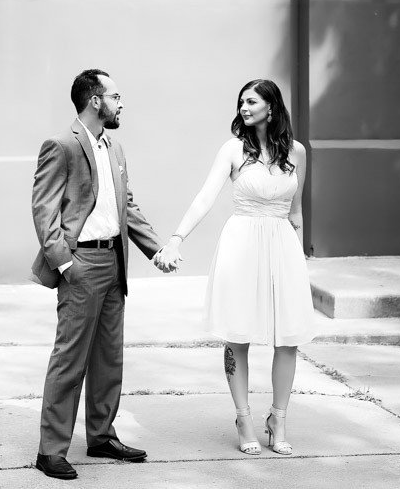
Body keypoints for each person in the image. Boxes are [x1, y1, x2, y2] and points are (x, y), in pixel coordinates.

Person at [154, 78, 316, 456]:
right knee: (237, 336)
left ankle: (279, 418)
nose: (244, 107)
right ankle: (243, 418)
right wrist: (177, 238)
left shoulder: (297, 152)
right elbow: (205, 196)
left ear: (271, 107)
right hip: (241, 245)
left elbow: (296, 211)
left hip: (282, 247)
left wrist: (300, 260)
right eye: (241, 102)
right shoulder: (232, 150)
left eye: (252, 101)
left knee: (287, 337)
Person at [30, 69, 174, 481]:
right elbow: (44, 210)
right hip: (81, 266)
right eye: (116, 96)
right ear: (96, 100)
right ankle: (51, 451)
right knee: (70, 360)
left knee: (109, 357)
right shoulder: (62, 146)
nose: (121, 103)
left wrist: (157, 249)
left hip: (115, 262)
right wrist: (64, 263)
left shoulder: (114, 146)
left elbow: (127, 207)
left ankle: (101, 436)